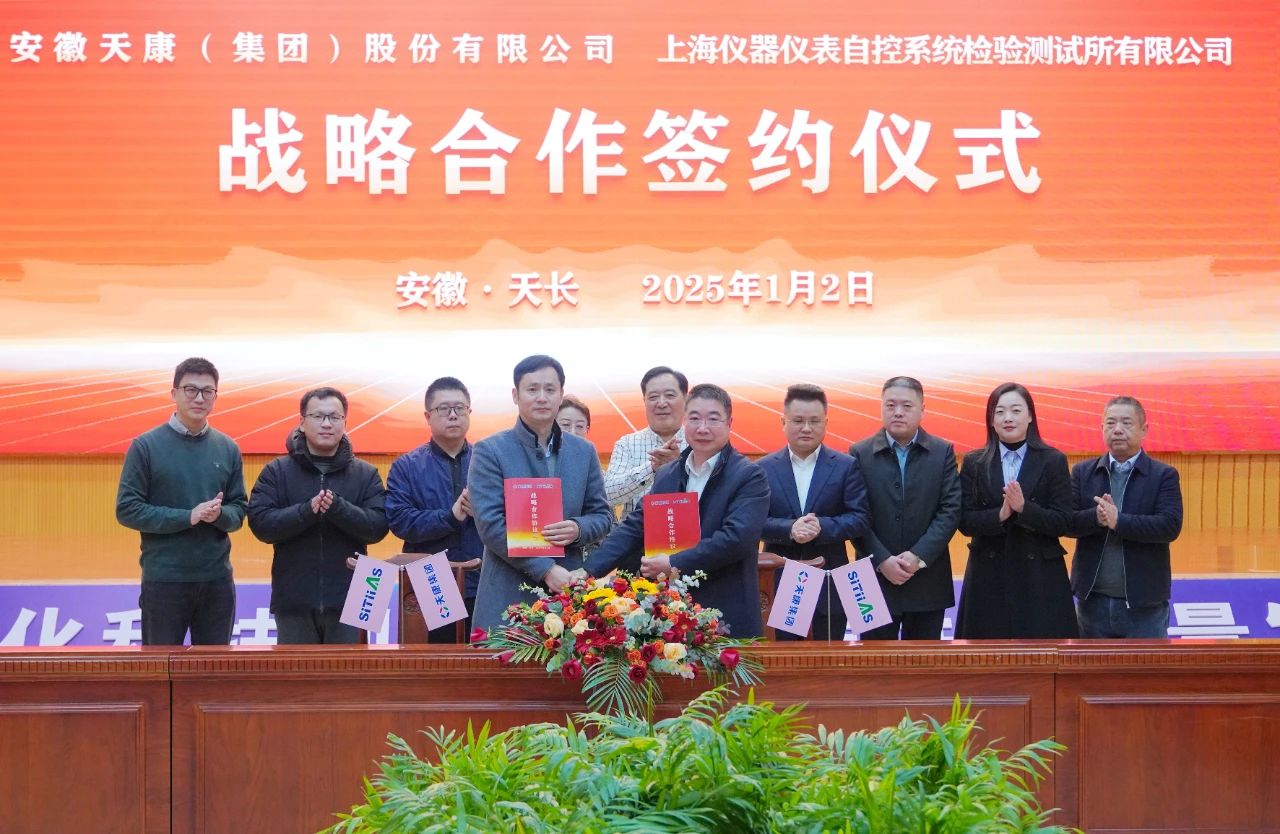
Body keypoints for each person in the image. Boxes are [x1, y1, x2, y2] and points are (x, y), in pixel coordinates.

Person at [587, 384, 770, 638]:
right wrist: (588, 571)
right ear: (684, 421)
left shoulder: (749, 476)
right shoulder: (668, 474)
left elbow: (736, 539)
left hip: (725, 615)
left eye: (713, 419)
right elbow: (635, 525)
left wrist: (673, 563)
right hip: (671, 617)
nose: (703, 428)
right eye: (694, 418)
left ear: (729, 423)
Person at [469, 355, 614, 631]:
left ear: (561, 394)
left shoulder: (584, 451)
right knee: (504, 660)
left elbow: (603, 516)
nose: (542, 398)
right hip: (507, 594)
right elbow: (490, 525)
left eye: (550, 389)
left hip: (567, 592)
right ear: (516, 395)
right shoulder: (490, 451)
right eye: (532, 389)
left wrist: (578, 529)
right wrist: (545, 569)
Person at [115, 357, 248, 645]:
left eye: (207, 391)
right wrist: (188, 516)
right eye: (191, 389)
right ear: (174, 393)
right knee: (160, 667)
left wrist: (219, 515)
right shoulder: (145, 446)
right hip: (164, 579)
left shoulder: (228, 448)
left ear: (215, 396)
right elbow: (127, 509)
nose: (199, 398)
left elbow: (239, 510)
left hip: (217, 580)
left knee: (214, 668)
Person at [247, 387, 389, 644]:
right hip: (294, 600)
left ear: (345, 423)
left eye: (334, 417)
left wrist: (338, 508)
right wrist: (306, 511)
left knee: (352, 670)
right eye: (318, 416)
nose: (326, 424)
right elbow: (260, 524)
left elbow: (378, 527)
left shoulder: (366, 474)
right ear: (302, 422)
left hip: (355, 598)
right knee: (298, 671)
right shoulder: (277, 471)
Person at [955, 382, 1078, 639]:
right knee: (987, 654)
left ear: (1030, 415)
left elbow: (1064, 521)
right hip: (988, 575)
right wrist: (999, 516)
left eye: (1016, 410)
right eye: (999, 412)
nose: (1007, 418)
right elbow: (964, 521)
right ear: (991, 420)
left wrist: (1024, 509)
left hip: (1040, 576)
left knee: (1042, 654)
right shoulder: (975, 462)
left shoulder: (1053, 460)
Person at [850, 377, 962, 641]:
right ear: (881, 407)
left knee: (924, 664)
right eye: (890, 405)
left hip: (927, 578)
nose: (898, 412)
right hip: (872, 579)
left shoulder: (942, 452)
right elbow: (855, 514)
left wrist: (918, 556)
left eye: (907, 406)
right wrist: (882, 560)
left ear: (922, 409)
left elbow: (950, 510)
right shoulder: (859, 453)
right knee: (872, 662)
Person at [758, 384, 870, 640]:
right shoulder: (763, 469)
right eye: (798, 421)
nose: (806, 428)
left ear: (826, 422)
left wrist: (821, 527)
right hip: (778, 581)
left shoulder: (846, 466)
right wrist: (790, 529)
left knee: (826, 657)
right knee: (783, 656)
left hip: (829, 583)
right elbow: (754, 521)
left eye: (814, 421)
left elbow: (860, 518)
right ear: (783, 422)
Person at [1069, 396, 1183, 638]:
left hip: (1145, 606)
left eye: (1127, 423)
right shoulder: (1083, 472)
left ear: (1144, 430)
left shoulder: (1163, 475)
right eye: (1111, 423)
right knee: (1090, 665)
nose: (1118, 430)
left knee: (1145, 665)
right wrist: (1096, 518)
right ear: (1102, 428)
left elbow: (1169, 526)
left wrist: (1119, 521)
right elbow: (1067, 522)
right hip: (1092, 604)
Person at [385, 376, 484, 643]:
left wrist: (484, 512)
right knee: (437, 658)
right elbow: (400, 521)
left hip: (484, 579)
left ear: (469, 412)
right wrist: (450, 517)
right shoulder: (407, 466)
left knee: (484, 660)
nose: (453, 415)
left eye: (459, 408)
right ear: (428, 416)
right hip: (431, 580)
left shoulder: (487, 461)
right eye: (444, 409)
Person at [603, 366, 688, 515]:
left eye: (670, 395)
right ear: (644, 401)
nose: (661, 403)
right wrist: (651, 468)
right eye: (653, 397)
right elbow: (608, 495)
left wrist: (678, 468)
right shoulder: (627, 444)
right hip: (636, 529)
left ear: (686, 399)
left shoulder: (699, 443)